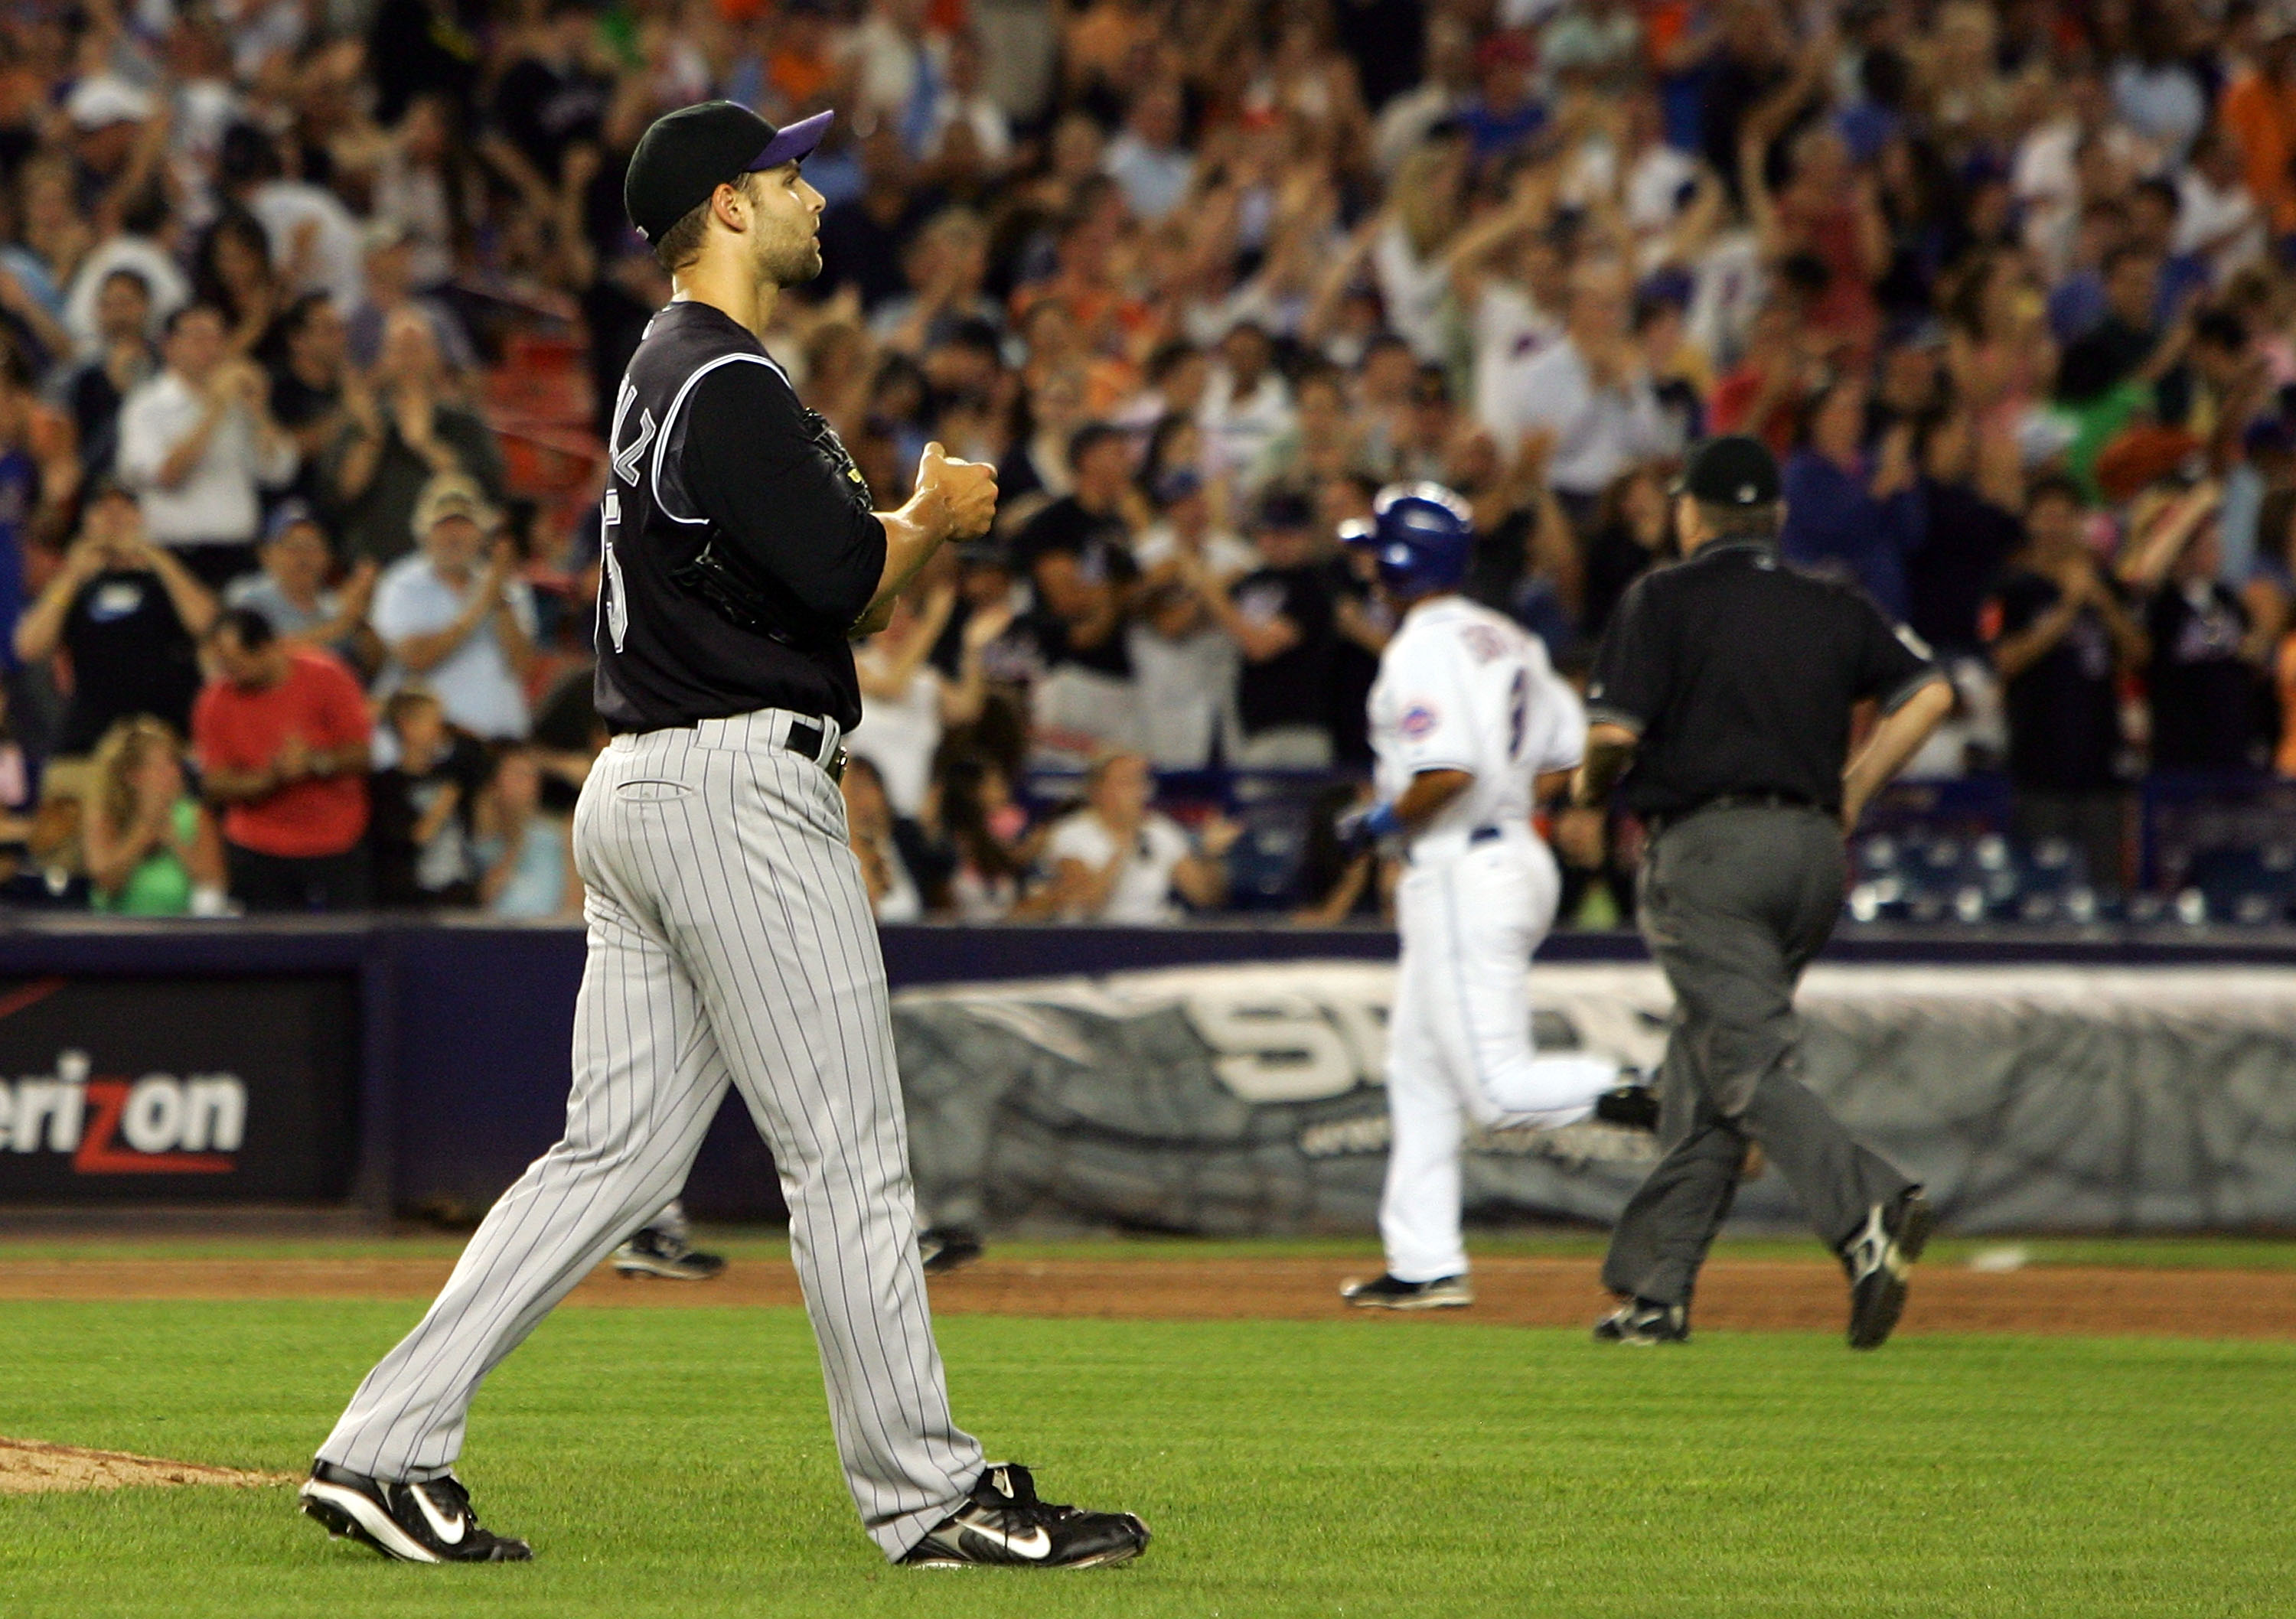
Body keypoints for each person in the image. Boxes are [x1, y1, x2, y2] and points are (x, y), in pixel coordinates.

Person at [300, 102, 1147, 1572]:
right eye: (789, 175)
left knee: (612, 1157)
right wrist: (937, 511)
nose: (815, 194)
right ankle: (930, 1496)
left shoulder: (664, 372)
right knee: (848, 1155)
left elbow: (837, 586)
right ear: (728, 210)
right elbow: (846, 579)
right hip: (734, 790)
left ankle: (382, 1446)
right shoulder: (726, 374)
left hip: (647, 785)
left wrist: (902, 529)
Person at [1573, 435, 1955, 1349]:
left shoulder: (1659, 597)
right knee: (1708, 1067)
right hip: (1812, 856)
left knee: (1743, 1067)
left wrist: (1587, 788)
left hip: (1710, 853)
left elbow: (1617, 732)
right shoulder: (1828, 601)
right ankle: (1656, 1294)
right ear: (1776, 520)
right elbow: (1932, 694)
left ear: (1689, 515)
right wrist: (1854, 791)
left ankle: (1868, 1209)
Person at [1327, 484, 1640, 1311]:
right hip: (1511, 853)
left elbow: (1449, 770)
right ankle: (1426, 1262)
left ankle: (1651, 1090)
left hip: (1465, 866)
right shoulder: (1507, 636)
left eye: (1376, 550)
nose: (1366, 564)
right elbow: (1568, 761)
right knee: (1417, 1070)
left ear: (1403, 561)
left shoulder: (1420, 648)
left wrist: (1376, 823)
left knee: (1495, 1087)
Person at [1982, 475, 2148, 893]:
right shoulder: (2013, 587)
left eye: (2065, 517)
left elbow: (2140, 654)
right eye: (2046, 517)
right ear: (2031, 522)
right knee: (2040, 883)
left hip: (2100, 762)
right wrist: (2067, 608)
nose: (2056, 526)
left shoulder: (2104, 583)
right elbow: (2005, 660)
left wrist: (2103, 605)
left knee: (2107, 884)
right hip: (2038, 763)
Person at [15, 481, 219, 764]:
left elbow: (207, 623)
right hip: (92, 739)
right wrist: (72, 576)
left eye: (124, 508)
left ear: (140, 518)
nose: (114, 517)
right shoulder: (74, 587)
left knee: (182, 807)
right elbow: (29, 646)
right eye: (103, 510)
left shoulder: (168, 576)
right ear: (87, 522)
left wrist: (152, 554)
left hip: (168, 737)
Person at [192, 608, 373, 911]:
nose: (228, 674)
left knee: (344, 950)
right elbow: (215, 784)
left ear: (266, 648)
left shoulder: (328, 676)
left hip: (335, 845)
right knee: (267, 955)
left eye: (236, 663)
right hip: (257, 851)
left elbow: (363, 754)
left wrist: (315, 762)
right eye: (223, 665)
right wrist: (272, 777)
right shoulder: (214, 702)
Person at [113, 302, 299, 590]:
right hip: (176, 554)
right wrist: (215, 410)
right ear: (170, 346)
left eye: (218, 338)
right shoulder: (147, 406)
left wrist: (261, 411)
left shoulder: (240, 403)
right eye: (199, 338)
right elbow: (166, 476)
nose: (211, 348)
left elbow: (279, 473)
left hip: (239, 554)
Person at [370, 474, 537, 741]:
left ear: (482, 534)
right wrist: (483, 600)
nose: (454, 536)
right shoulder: (400, 584)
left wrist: (498, 599)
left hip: (499, 746)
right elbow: (416, 657)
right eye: (444, 525)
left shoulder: (508, 588)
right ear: (424, 531)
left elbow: (522, 666)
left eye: (465, 525)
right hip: (430, 751)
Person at [1024, 749, 1235, 922]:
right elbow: (1087, 904)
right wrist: (1124, 845)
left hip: (1153, 936)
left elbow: (1205, 897)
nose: (1139, 791)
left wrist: (1212, 854)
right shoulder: (1070, 833)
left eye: (1141, 782)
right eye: (1127, 782)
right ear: (1098, 790)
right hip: (1093, 941)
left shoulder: (1161, 830)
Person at [83, 715, 225, 916]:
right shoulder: (104, 817)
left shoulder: (197, 817)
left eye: (175, 764)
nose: (174, 773)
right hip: (114, 935)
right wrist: (143, 834)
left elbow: (213, 888)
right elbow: (106, 881)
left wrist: (175, 842)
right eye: (161, 768)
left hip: (182, 935)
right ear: (133, 776)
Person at [225, 500, 381, 673]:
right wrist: (343, 622)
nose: (303, 556)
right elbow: (256, 656)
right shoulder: (248, 596)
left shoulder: (334, 604)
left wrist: (361, 619)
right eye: (292, 546)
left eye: (312, 546)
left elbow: (373, 666)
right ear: (265, 554)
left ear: (328, 556)